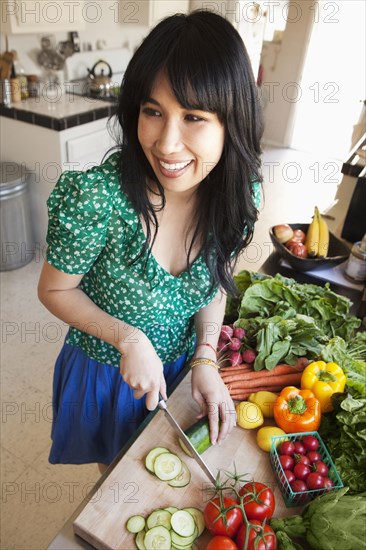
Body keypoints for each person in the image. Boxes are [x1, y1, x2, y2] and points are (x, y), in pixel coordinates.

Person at [37, 10, 263, 472]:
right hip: (106, 367)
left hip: (179, 366)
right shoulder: (96, 198)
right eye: (152, 111)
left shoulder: (239, 196)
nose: (166, 143)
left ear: (231, 123)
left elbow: (214, 283)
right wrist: (129, 339)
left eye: (194, 117)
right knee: (115, 478)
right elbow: (54, 289)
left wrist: (205, 357)